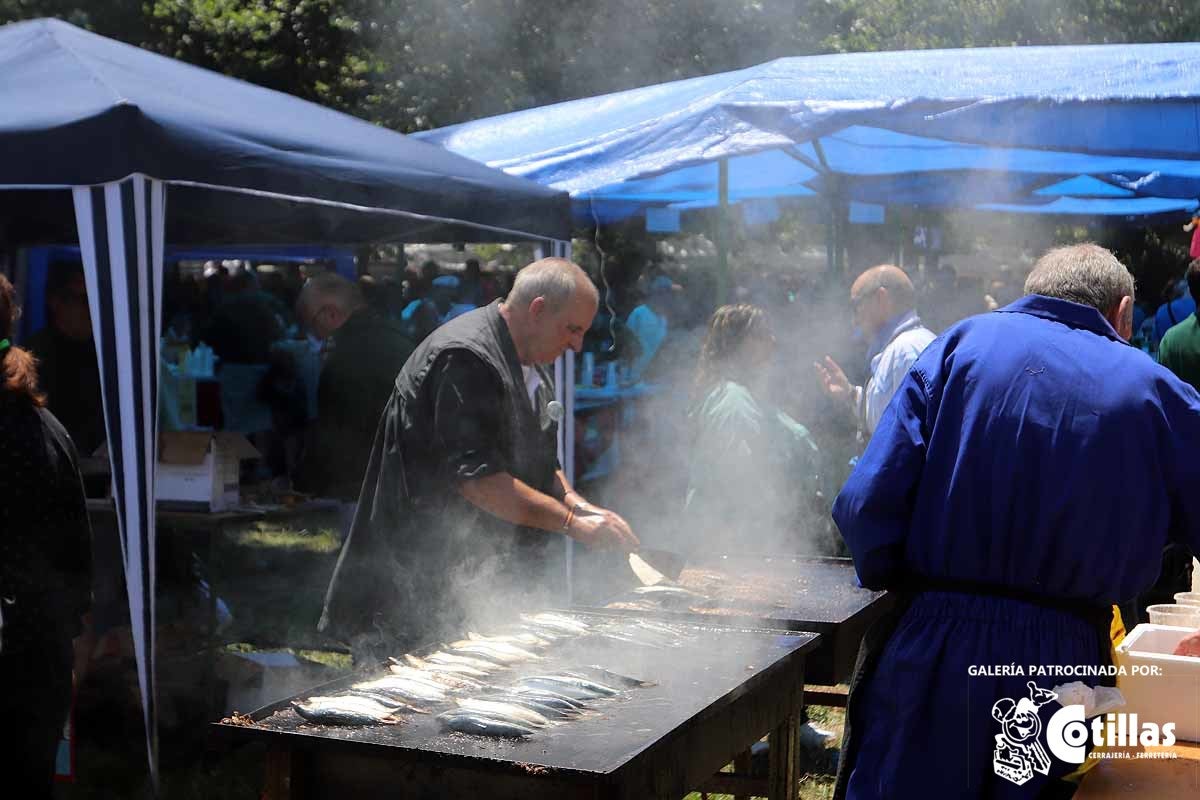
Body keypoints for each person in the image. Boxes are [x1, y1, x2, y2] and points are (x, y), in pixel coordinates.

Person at [830, 244, 1200, 800]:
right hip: (1064, 664)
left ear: (1027, 296)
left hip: (931, 644)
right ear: (1124, 313)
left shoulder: (955, 347)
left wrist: (915, 585)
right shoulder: (1156, 390)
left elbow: (864, 506)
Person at [319, 258, 640, 664]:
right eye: (572, 330)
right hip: (410, 582)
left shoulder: (528, 363)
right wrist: (572, 524)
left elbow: (540, 459)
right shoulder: (465, 357)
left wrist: (578, 502)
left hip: (469, 580)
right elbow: (480, 481)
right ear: (538, 310)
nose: (577, 346)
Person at [0, 274, 93, 799]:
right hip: (39, 652)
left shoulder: (27, 425)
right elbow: (78, 558)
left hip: (23, 650)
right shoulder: (45, 424)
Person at [680, 304, 827, 556]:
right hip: (739, 548)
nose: (772, 340)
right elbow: (740, 482)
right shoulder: (733, 400)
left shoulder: (741, 394)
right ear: (739, 344)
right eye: (761, 334)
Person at [293, 273, 415, 501]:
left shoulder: (344, 358)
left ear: (331, 313)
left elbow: (334, 433)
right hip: (408, 473)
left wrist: (305, 482)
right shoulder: (399, 335)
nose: (314, 334)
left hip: (363, 483)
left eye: (312, 323)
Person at [814, 264, 936, 441]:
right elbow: (887, 412)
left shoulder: (906, 352)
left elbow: (914, 441)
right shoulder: (900, 348)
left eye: (856, 306)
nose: (854, 320)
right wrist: (850, 393)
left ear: (881, 299)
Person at [25, 261, 105, 458]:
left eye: (95, 300)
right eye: (83, 299)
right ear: (55, 301)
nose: (90, 309)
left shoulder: (107, 355)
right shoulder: (32, 357)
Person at [624, 274, 673, 381]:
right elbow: (625, 343)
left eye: (669, 293)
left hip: (653, 376)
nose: (668, 297)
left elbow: (661, 348)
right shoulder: (638, 313)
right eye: (664, 292)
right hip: (632, 375)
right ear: (656, 293)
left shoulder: (664, 319)